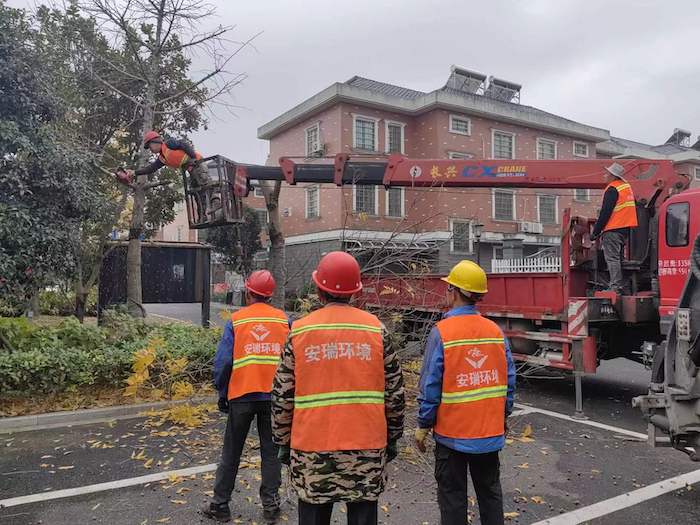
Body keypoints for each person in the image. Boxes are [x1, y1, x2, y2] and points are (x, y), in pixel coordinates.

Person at [271, 251, 405, 525]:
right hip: (367, 449)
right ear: (355, 291)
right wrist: (392, 438)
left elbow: (282, 396)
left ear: (319, 290)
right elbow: (395, 393)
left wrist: (282, 441)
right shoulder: (376, 330)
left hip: (311, 451)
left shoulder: (300, 331)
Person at [415, 260, 515, 525]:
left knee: (452, 498)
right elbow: (509, 381)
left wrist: (423, 424)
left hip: (452, 437)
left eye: (449, 287)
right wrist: (503, 416)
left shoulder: (442, 333)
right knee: (490, 494)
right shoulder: (495, 332)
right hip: (489, 434)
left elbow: (430, 386)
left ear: (455, 292)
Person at [203, 270, 289, 524]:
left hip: (241, 394)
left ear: (249, 292)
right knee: (271, 453)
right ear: (270, 295)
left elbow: (223, 362)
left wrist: (222, 392)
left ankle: (220, 505)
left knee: (231, 452)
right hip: (274, 397)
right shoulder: (284, 321)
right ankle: (271, 506)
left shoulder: (237, 320)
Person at [126, 130, 215, 222]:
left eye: (150, 146)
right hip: (192, 170)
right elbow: (151, 168)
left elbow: (184, 144)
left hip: (198, 164)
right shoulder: (162, 158)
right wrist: (134, 172)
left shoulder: (169, 144)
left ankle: (216, 202)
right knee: (197, 193)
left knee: (206, 185)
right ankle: (203, 217)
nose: (150, 150)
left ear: (156, 141)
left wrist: (193, 158)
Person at [590, 162, 639, 294]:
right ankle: (622, 286)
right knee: (619, 259)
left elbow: (605, 212)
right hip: (624, 229)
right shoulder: (626, 188)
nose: (605, 175)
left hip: (613, 228)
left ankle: (615, 287)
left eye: (607, 173)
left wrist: (595, 231)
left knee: (612, 259)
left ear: (612, 176)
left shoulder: (612, 189)